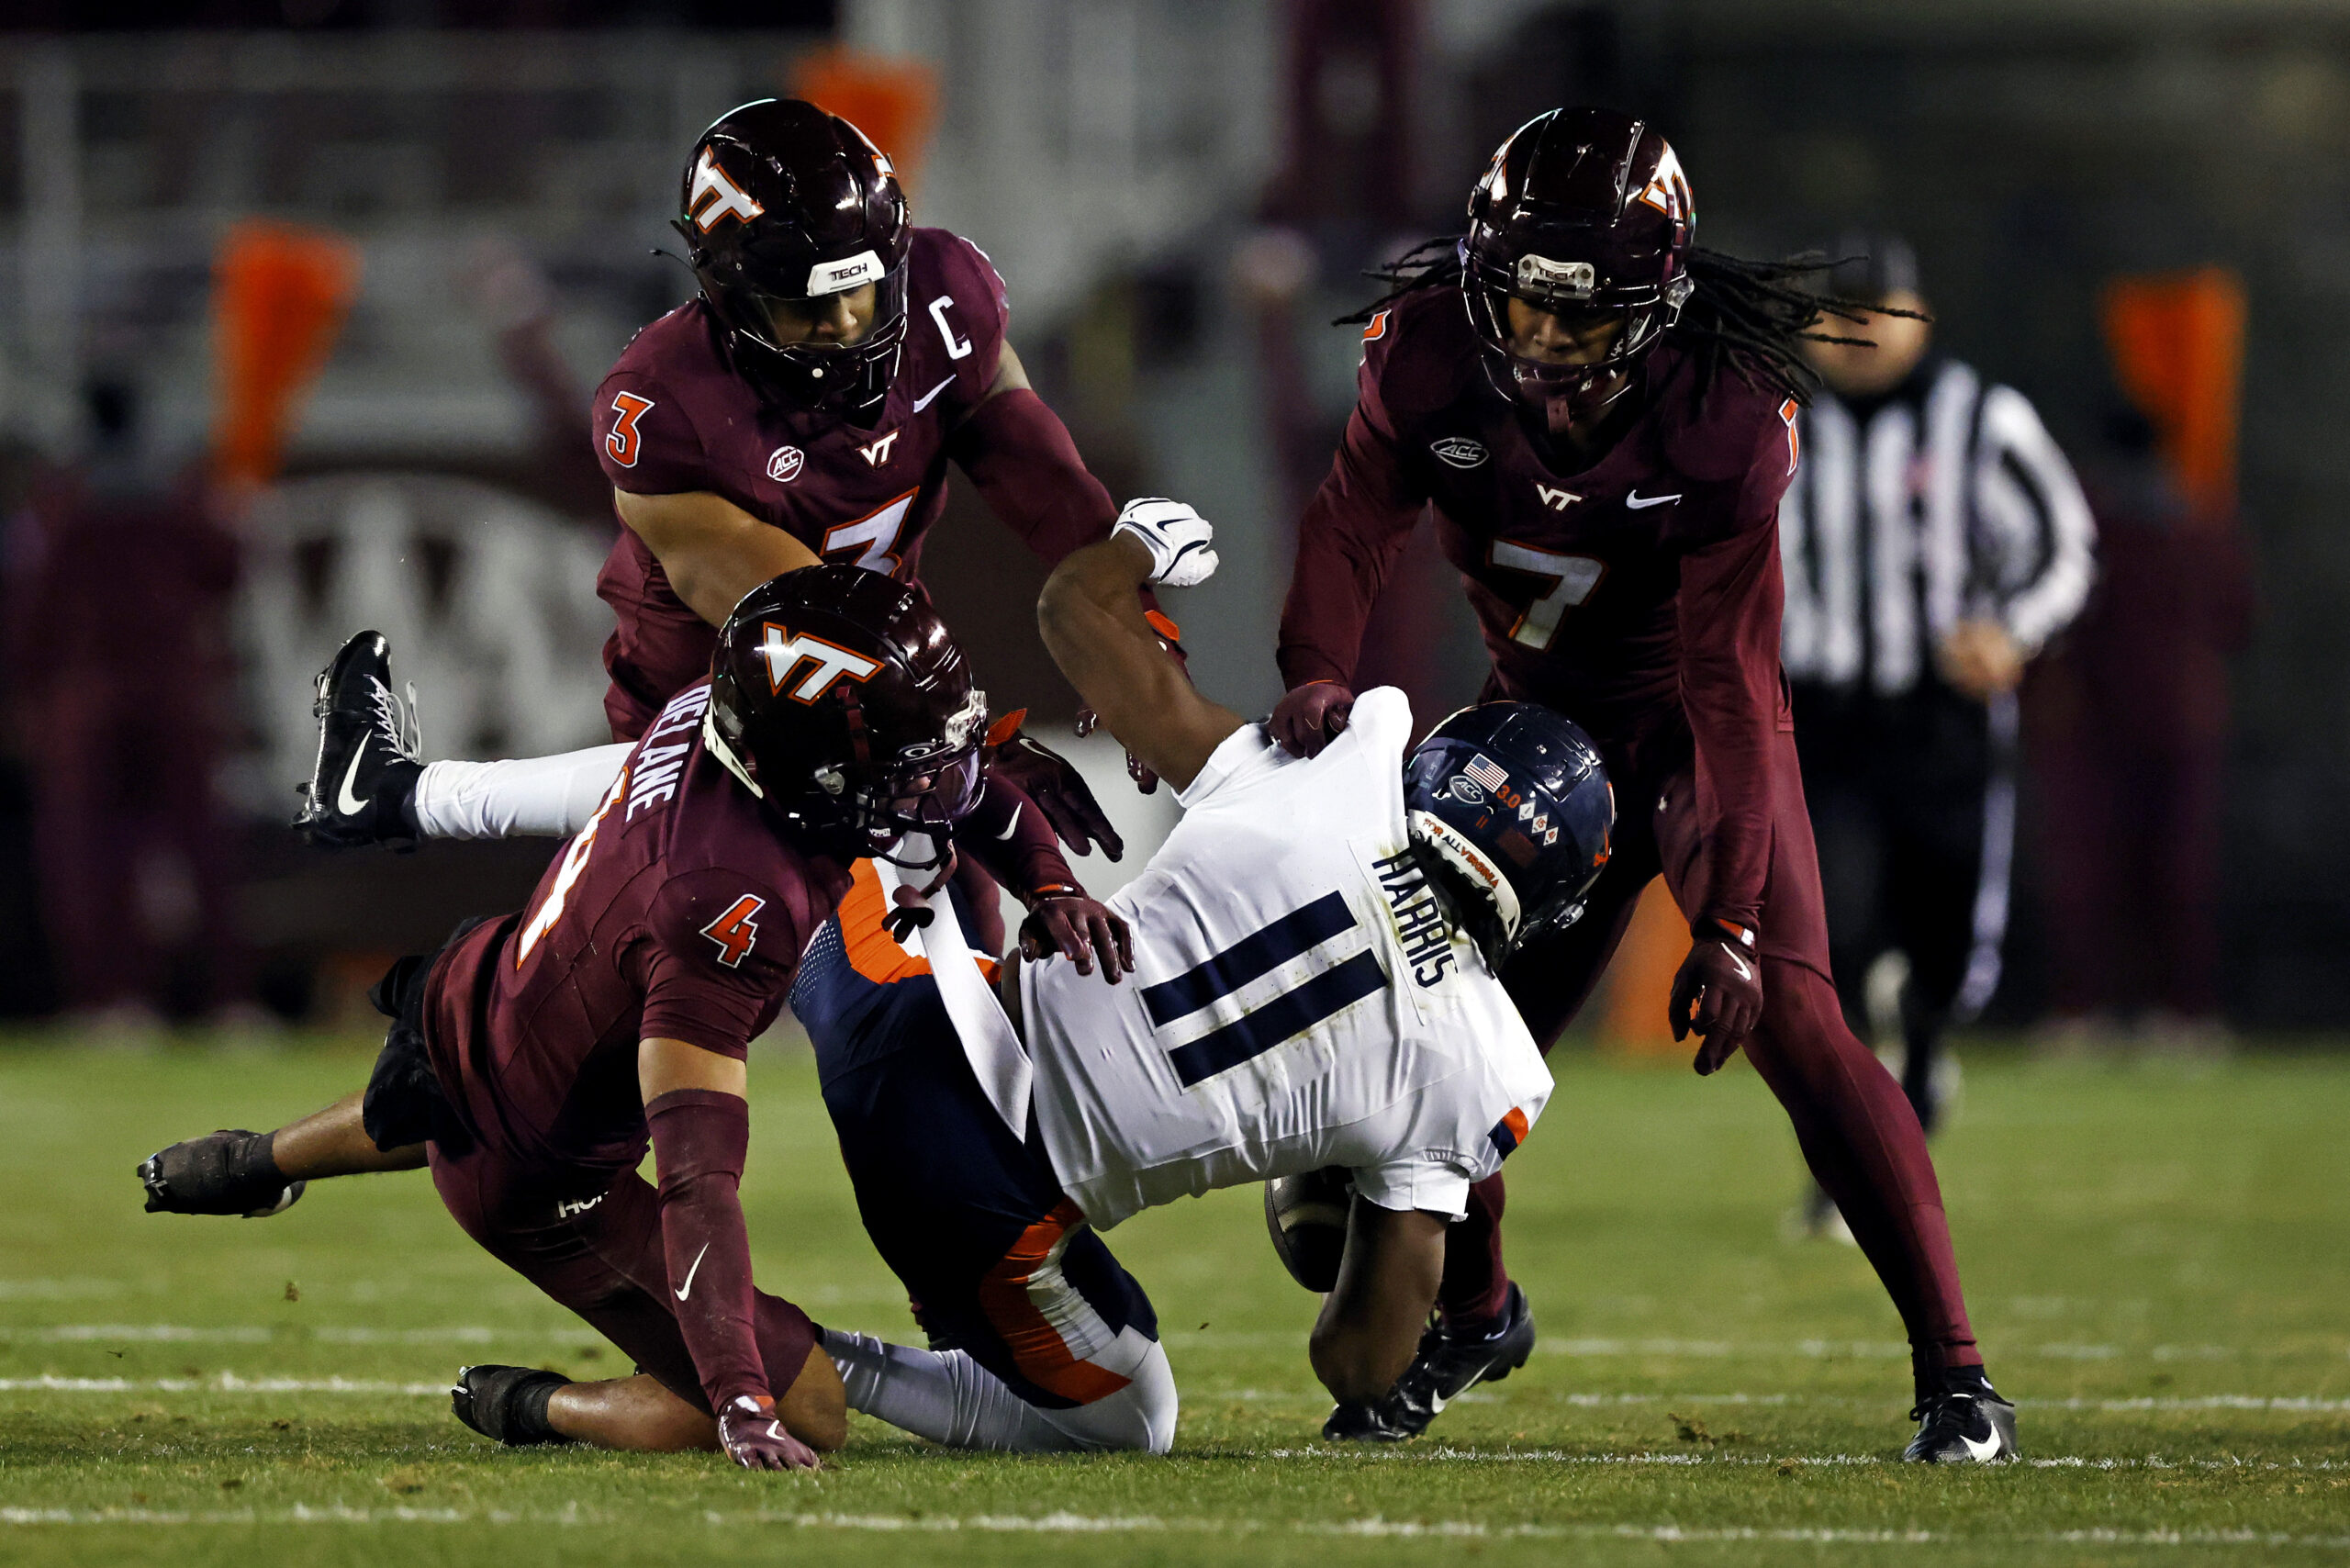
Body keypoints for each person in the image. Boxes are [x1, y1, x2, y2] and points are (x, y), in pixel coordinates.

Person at [263, 503, 1609, 1447]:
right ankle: (813, 1364)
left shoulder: (1352, 761)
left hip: (913, 1007)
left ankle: (402, 795)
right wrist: (1383, 1212)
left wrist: (1140, 541)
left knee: (755, 768)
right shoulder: (1488, 1074)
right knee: (1130, 1423)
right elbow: (1354, 1361)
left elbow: (1075, 615)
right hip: (985, 1218)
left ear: (1434, 761)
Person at [1265, 108, 2014, 1462]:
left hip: (1686, 731)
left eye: (1579, 317)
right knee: (1439, 1041)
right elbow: (1348, 518)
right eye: (1523, 308)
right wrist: (1316, 670)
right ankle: (1479, 1311)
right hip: (1533, 726)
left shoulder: (1721, 414)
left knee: (1793, 1013)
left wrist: (1725, 919)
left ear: (1656, 300)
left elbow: (1731, 684)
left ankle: (1956, 1372)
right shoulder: (1433, 352)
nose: (1543, 344)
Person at [140, 567, 1119, 1467]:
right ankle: (538, 1405)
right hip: (539, 1178)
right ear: (808, 770)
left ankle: (254, 1163)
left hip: (466, 993)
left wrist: (1048, 881)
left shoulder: (717, 722)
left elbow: (948, 786)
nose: (936, 782)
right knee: (805, 1405)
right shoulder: (728, 908)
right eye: (904, 764)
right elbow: (698, 1182)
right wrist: (739, 1396)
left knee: (497, 1083)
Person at [1779, 234, 2093, 1169]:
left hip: (1938, 710)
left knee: (1944, 938)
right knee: (1829, 929)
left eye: (1880, 309)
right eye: (1841, 312)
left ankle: (1919, 1049)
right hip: (1820, 707)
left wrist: (2013, 630)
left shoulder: (1981, 419)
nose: (1860, 330)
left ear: (1919, 316)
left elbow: (2061, 543)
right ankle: (1862, 1134)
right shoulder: (1774, 416)